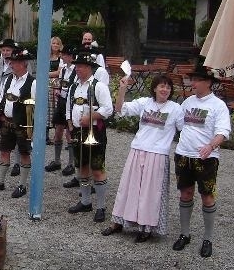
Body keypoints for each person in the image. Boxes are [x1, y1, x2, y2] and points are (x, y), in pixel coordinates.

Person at [101, 74, 184, 242]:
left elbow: (185, 130)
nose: (165, 90)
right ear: (154, 88)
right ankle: (118, 222)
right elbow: (120, 109)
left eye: (168, 87)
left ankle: (146, 227)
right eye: (162, 86)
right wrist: (122, 88)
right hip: (138, 149)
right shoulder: (145, 103)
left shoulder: (175, 108)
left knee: (150, 192)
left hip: (158, 153)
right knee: (128, 188)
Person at [171, 61, 230, 258]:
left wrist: (210, 146)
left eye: (196, 80)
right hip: (183, 155)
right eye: (192, 80)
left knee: (207, 196)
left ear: (208, 83)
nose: (193, 83)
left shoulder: (218, 105)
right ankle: (184, 234)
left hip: (206, 158)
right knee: (185, 193)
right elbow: (177, 124)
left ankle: (208, 238)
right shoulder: (188, 102)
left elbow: (223, 132)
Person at [66, 49, 114, 223]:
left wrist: (91, 117)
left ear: (89, 68)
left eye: (81, 66)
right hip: (77, 132)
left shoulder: (99, 86)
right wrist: (70, 126)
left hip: (95, 132)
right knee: (82, 168)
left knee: (97, 169)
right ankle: (85, 201)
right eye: (77, 66)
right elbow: (68, 109)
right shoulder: (73, 87)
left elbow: (108, 109)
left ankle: (101, 206)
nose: (77, 69)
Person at [0, 47, 36, 198]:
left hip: (23, 124)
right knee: (4, 150)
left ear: (24, 63)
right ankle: (0, 181)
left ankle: (22, 185)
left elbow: (35, 107)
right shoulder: (7, 80)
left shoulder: (33, 83)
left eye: (15, 62)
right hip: (6, 122)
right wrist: (0, 114)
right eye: (11, 62)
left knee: (24, 153)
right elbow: (2, 98)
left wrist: (32, 129)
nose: (11, 65)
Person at [0, 38, 24, 176]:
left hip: (14, 101)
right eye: (3, 50)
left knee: (18, 133)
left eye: (8, 50)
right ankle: (3, 158)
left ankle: (17, 163)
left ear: (13, 51)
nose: (5, 52)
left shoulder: (19, 63)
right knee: (2, 132)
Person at [47, 45, 77, 175]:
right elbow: (60, 83)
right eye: (62, 54)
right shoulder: (63, 70)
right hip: (61, 102)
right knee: (58, 131)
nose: (62, 57)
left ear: (70, 56)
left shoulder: (76, 70)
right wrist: (57, 90)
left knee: (69, 133)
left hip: (71, 103)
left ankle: (71, 163)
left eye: (64, 55)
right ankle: (57, 160)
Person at [46, 36, 64, 145]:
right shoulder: (46, 56)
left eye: (57, 43)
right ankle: (45, 135)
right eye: (54, 43)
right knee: (46, 109)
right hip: (46, 85)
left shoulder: (61, 58)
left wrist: (46, 73)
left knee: (56, 109)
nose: (55, 45)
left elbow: (59, 72)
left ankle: (57, 136)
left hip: (56, 85)